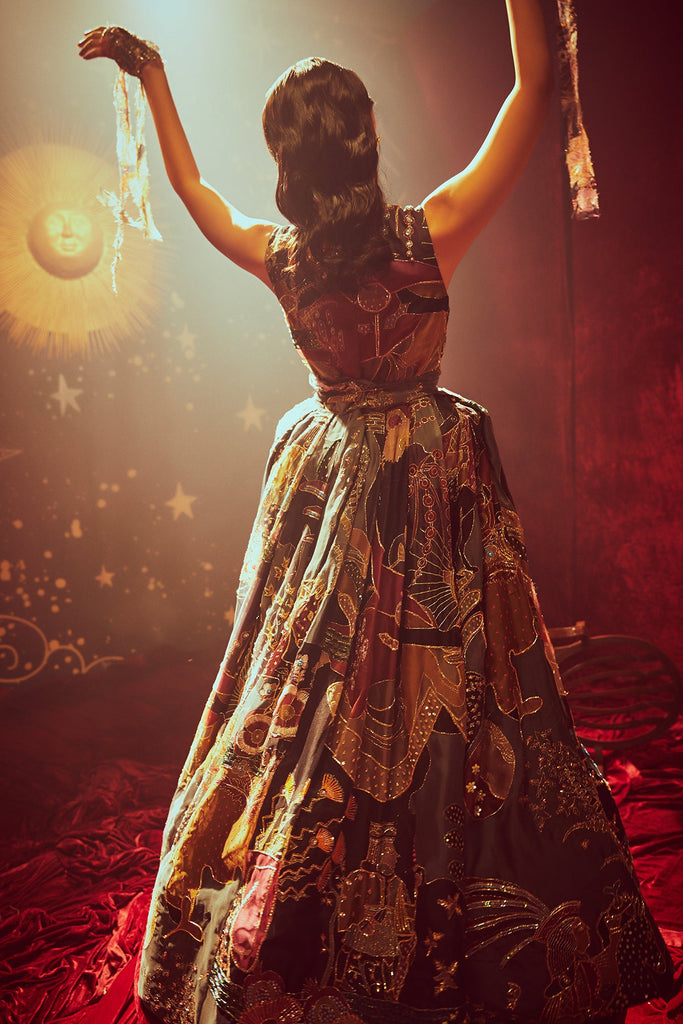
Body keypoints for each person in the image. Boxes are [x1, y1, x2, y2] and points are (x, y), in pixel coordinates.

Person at [78, 4, 674, 1022]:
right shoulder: (429, 231)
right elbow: (533, 90)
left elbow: (193, 191)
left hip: (332, 475)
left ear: (285, 162)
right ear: (367, 138)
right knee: (464, 680)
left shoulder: (281, 256)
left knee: (310, 682)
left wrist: (155, 77)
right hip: (434, 471)